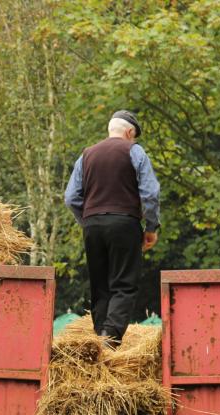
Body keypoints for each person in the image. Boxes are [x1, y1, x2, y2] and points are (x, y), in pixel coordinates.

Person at [64, 110, 160, 346]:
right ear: (129, 133)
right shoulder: (134, 151)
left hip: (92, 225)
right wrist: (151, 227)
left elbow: (70, 197)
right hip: (124, 223)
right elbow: (150, 193)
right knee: (124, 284)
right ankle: (110, 337)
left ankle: (99, 339)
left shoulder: (85, 155)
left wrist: (87, 220)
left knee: (100, 284)